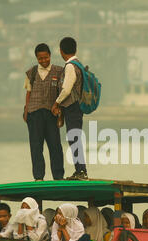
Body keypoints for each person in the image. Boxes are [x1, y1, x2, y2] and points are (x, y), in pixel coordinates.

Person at [24, 43, 65, 182]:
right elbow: (28, 92)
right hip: (34, 113)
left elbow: (62, 92)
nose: (43, 61)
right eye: (40, 58)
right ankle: (38, 177)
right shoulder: (31, 72)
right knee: (36, 146)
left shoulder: (59, 71)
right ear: (36, 58)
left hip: (51, 113)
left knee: (55, 145)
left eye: (45, 57)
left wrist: (61, 113)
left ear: (50, 56)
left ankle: (58, 176)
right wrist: (26, 109)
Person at [51, 37, 88, 180]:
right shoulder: (78, 64)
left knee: (74, 139)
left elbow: (66, 89)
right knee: (75, 138)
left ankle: (81, 171)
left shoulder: (70, 66)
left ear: (61, 51)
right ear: (75, 49)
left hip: (72, 108)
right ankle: (80, 170)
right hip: (76, 108)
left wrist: (56, 102)